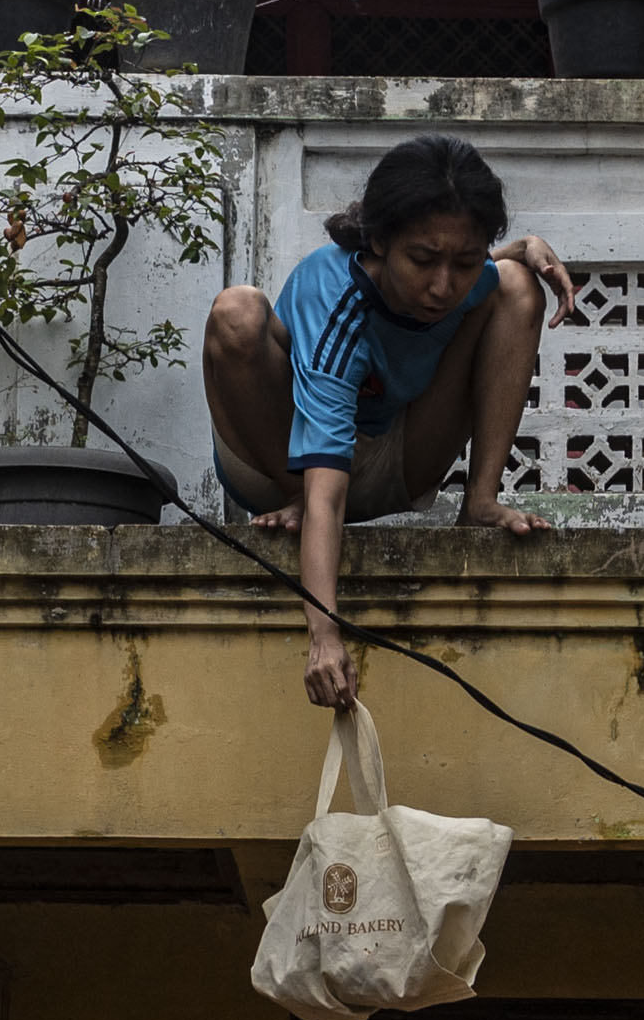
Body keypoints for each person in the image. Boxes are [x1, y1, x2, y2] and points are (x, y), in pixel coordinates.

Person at [200, 133, 580, 709]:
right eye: (423, 261)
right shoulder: (334, 299)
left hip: (390, 456)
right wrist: (324, 635)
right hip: (280, 465)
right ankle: (288, 493)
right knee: (237, 310)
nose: (442, 287)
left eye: (465, 261)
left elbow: (482, 269)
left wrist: (521, 248)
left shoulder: (463, 276)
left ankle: (479, 502)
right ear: (378, 241)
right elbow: (327, 499)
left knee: (518, 287)